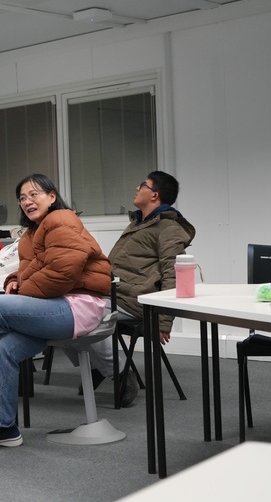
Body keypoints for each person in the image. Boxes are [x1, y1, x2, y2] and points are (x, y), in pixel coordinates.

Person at [0, 173, 112, 450]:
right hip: (54, 307)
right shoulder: (31, 234)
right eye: (22, 198)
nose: (27, 201)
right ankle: (4, 427)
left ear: (52, 197)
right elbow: (30, 269)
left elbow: (62, 272)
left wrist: (22, 291)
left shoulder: (62, 220)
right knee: (2, 348)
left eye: (34, 194)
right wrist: (13, 279)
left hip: (78, 307)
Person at [72, 170, 196, 407]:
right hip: (115, 294)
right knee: (62, 307)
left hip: (136, 301)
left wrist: (163, 321)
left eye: (143, 185)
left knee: (78, 315)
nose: (137, 188)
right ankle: (101, 364)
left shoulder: (168, 229)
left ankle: (118, 373)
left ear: (155, 195)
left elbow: (173, 275)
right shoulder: (139, 223)